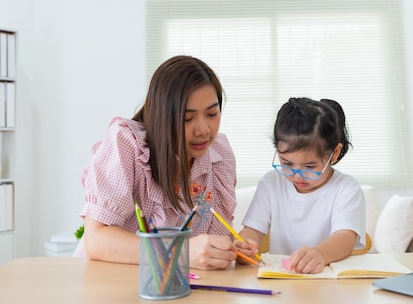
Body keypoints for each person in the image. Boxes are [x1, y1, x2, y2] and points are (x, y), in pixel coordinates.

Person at [73, 55, 240, 270]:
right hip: (108, 284)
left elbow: (211, 244)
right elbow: (96, 241)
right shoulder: (127, 144)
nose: (203, 130)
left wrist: (229, 250)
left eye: (212, 113)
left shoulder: (219, 155)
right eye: (187, 119)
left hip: (174, 288)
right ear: (162, 116)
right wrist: (181, 252)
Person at [236, 97, 366, 274]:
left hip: (328, 282)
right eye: (287, 164)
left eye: (310, 167)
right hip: (282, 281)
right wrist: (244, 246)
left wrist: (320, 254)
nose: (297, 176)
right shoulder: (271, 183)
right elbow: (252, 231)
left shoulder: (346, 188)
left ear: (334, 153)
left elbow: (345, 237)